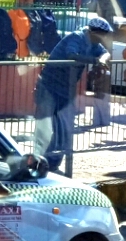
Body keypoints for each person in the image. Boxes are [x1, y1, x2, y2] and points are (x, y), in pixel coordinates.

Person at [34, 17, 114, 170]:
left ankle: (52, 163)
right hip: (48, 86)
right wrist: (95, 61)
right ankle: (37, 162)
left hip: (65, 88)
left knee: (62, 127)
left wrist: (102, 59)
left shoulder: (93, 43)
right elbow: (72, 55)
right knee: (44, 126)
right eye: (103, 34)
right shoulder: (76, 37)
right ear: (94, 32)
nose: (104, 38)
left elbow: (105, 54)